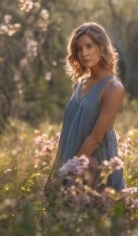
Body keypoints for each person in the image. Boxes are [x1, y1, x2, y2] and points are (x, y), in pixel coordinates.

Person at [44, 22, 126, 195]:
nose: (84, 53)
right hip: (71, 163)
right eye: (79, 49)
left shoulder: (113, 87)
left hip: (97, 168)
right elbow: (66, 135)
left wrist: (66, 174)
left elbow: (96, 138)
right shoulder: (80, 84)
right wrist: (54, 174)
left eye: (89, 46)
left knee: (96, 219)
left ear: (101, 46)